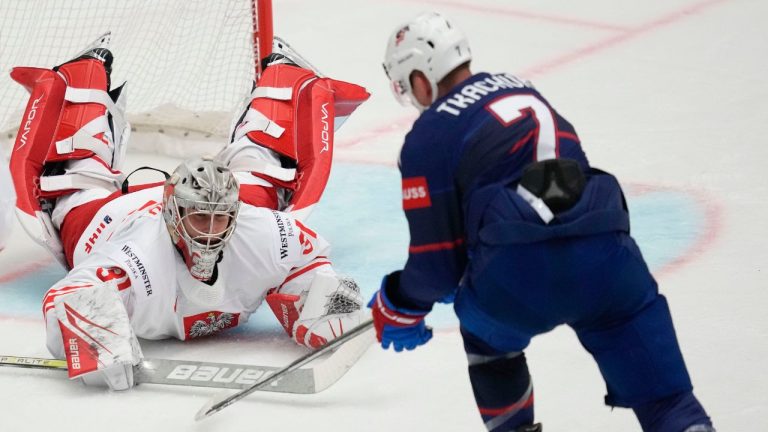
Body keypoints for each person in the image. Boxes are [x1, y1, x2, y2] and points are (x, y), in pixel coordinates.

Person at [368, 12, 714, 432]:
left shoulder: (428, 136)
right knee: (670, 405)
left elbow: (437, 269)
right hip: (607, 256)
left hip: (517, 277)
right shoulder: (524, 88)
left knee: (488, 342)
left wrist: (400, 303)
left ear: (422, 78)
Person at [9, 37, 369, 390]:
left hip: (189, 205)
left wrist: (321, 293)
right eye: (201, 219)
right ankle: (80, 78)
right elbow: (71, 292)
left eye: (221, 218)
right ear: (173, 213)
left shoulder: (257, 227)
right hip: (112, 219)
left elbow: (308, 258)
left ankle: (285, 77)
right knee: (72, 186)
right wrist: (90, 332)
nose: (211, 231)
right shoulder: (136, 257)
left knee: (261, 179)